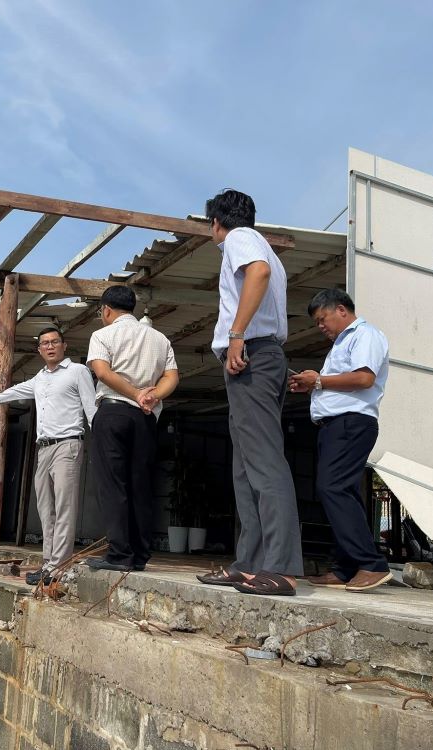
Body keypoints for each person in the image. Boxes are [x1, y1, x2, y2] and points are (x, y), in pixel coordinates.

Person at [196, 188, 304, 596]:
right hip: (259, 357)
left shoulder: (240, 239)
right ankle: (251, 563)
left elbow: (256, 273)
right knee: (246, 465)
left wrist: (237, 334)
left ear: (216, 222)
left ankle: (281, 567)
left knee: (263, 460)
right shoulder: (262, 246)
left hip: (253, 354)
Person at [289, 288, 391, 592]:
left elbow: (364, 378)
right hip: (336, 425)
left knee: (332, 487)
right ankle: (345, 567)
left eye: (323, 319)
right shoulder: (342, 343)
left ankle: (371, 564)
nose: (321, 327)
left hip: (351, 423)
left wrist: (318, 380)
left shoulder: (365, 335)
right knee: (342, 491)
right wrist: (314, 387)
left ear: (341, 311)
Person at [0, 327, 96, 585]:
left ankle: (59, 566)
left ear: (64, 345)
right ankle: (49, 563)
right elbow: (18, 390)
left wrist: (101, 442)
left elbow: (91, 408)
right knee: (45, 508)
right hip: (43, 448)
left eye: (55, 342)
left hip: (68, 445)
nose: (50, 346)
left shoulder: (78, 371)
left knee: (64, 506)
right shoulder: (41, 377)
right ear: (40, 350)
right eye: (45, 343)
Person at [85, 286, 179, 572]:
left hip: (113, 411)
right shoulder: (159, 338)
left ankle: (119, 554)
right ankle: (139, 554)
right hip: (145, 417)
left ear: (106, 310)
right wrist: (152, 396)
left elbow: (102, 371)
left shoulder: (103, 334)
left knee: (113, 484)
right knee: (140, 483)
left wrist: (134, 393)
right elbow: (172, 376)